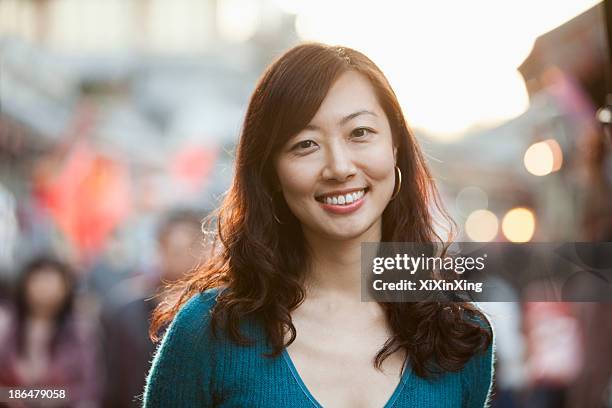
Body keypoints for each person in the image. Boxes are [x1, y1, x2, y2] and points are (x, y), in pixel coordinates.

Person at [144, 43, 494, 408]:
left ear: (395, 149)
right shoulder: (208, 332)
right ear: (272, 173)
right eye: (305, 144)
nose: (340, 167)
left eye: (359, 133)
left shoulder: (460, 336)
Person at [101, 209, 206, 407]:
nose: (182, 257)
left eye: (190, 248)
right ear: (160, 248)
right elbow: (113, 380)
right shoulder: (125, 308)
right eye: (175, 249)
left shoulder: (216, 308)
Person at [0, 255, 100, 407]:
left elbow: (88, 388)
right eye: (39, 280)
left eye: (51, 281)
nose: (45, 289)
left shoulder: (81, 332)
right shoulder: (6, 326)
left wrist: (35, 396)